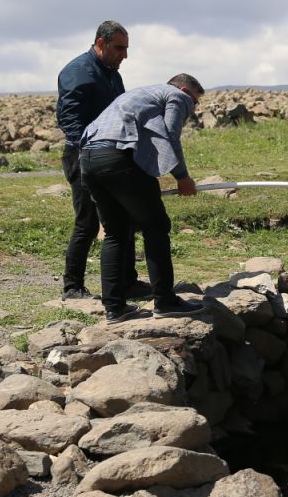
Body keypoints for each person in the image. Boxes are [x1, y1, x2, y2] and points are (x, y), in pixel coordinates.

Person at [79, 74, 208, 323]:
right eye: (195, 102)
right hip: (118, 157)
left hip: (88, 156)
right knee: (156, 227)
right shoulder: (177, 96)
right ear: (184, 90)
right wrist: (183, 177)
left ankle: (114, 308)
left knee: (115, 231)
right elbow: (171, 135)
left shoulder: (142, 93)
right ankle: (165, 301)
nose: (193, 109)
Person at [56, 20, 150, 301]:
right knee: (86, 222)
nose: (125, 55)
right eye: (120, 48)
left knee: (125, 217)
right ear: (101, 44)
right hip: (83, 154)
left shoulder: (111, 73)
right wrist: (90, 149)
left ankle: (127, 282)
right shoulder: (77, 72)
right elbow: (68, 119)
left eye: (126, 48)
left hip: (112, 154)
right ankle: (72, 287)